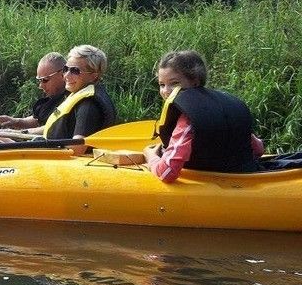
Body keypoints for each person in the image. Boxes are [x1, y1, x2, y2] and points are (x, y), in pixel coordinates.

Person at [143, 50, 264, 183]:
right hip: (246, 178)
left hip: (217, 188)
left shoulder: (188, 118)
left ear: (195, 82)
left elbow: (166, 172)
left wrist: (151, 157)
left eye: (174, 83)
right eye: (162, 84)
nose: (166, 91)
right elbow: (258, 149)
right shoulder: (227, 102)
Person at [41, 44, 117, 154]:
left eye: (75, 71)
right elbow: (59, 127)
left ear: (94, 76)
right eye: (65, 69)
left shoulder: (89, 104)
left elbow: (77, 148)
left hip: (71, 165)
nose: (66, 75)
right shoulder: (78, 94)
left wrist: (37, 150)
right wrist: (25, 132)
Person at [0, 52, 68, 134]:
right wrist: (15, 121)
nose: (40, 86)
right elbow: (37, 120)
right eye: (39, 80)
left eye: (45, 80)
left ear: (62, 74)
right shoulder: (52, 98)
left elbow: (54, 126)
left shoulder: (71, 99)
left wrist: (20, 133)